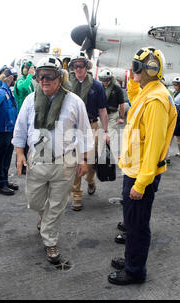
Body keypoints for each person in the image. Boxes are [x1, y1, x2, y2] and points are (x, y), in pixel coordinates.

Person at [12, 56, 93, 263]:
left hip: (64, 161)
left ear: (59, 76)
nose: (44, 80)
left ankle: (50, 241)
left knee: (57, 205)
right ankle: (45, 218)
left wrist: (84, 160)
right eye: (40, 76)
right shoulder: (31, 100)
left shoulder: (74, 101)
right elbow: (21, 128)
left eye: (49, 75)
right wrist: (20, 153)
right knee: (34, 200)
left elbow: (84, 132)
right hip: (37, 159)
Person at [108, 47, 177, 285]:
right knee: (132, 222)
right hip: (134, 170)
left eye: (137, 67)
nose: (133, 70)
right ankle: (131, 259)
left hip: (141, 175)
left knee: (137, 225)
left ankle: (135, 271)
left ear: (150, 70)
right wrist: (133, 79)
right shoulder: (148, 92)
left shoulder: (157, 100)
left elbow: (154, 147)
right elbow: (134, 99)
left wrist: (142, 182)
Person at [68, 52, 109, 211]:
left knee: (90, 161)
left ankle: (91, 180)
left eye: (81, 65)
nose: (78, 69)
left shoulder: (97, 86)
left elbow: (102, 110)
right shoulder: (67, 85)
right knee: (73, 162)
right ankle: (76, 195)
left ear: (86, 67)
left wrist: (105, 131)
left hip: (91, 126)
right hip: (71, 128)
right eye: (75, 66)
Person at [0, 65, 19, 195]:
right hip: (1, 129)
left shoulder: (7, 90)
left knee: (7, 156)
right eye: (12, 78)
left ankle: (4, 181)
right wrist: (4, 85)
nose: (14, 81)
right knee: (0, 157)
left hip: (9, 129)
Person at [14, 60, 36, 175]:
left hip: (29, 116)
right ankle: (20, 164)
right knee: (21, 142)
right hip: (21, 115)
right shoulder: (21, 81)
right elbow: (23, 88)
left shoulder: (30, 83)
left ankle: (25, 164)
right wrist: (30, 76)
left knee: (28, 143)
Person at [98, 68, 125, 156]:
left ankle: (113, 155)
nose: (105, 82)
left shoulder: (116, 89)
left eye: (107, 80)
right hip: (101, 115)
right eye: (103, 80)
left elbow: (122, 104)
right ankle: (99, 155)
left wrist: (121, 117)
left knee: (111, 134)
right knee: (100, 134)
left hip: (112, 115)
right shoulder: (99, 88)